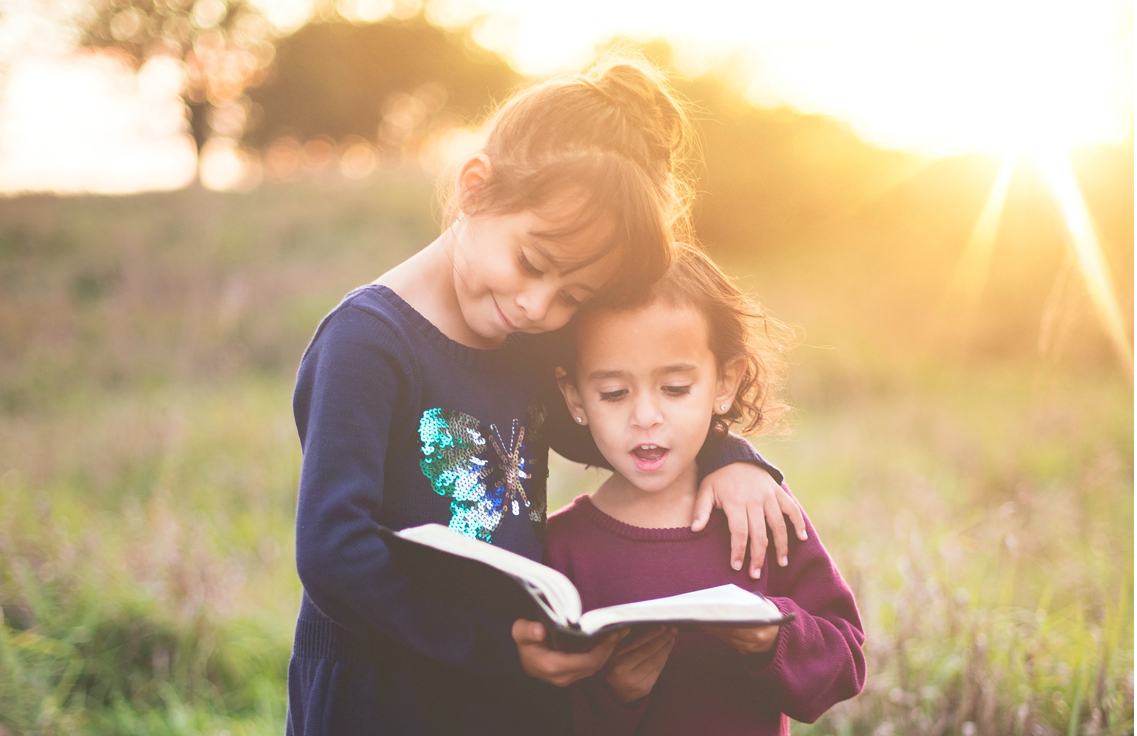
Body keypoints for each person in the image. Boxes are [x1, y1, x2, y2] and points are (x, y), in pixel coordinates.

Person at [286, 57, 807, 735]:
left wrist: (730, 459)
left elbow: (622, 432)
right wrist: (496, 646)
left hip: (505, 689)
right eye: (531, 263)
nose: (538, 306)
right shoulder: (367, 344)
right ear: (475, 188)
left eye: (573, 296)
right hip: (383, 691)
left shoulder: (522, 342)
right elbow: (333, 552)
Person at [547, 245, 866, 736]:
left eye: (675, 388)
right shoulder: (561, 548)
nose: (645, 416)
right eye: (614, 393)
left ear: (725, 383)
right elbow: (534, 706)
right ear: (575, 397)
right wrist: (613, 693)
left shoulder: (757, 510)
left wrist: (771, 635)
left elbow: (845, 663)